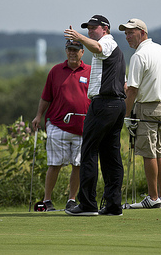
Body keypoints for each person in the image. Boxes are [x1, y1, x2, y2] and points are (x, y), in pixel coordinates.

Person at [63, 15, 126, 216]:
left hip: (104, 104)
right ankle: (113, 205)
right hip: (116, 105)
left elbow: (98, 49)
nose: (90, 30)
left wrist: (79, 38)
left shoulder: (106, 42)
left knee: (89, 150)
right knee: (110, 155)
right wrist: (85, 39)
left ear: (105, 29)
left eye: (93, 27)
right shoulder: (110, 47)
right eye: (88, 28)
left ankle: (88, 204)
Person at [119, 18, 161, 209]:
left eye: (131, 32)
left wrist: (126, 115)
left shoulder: (139, 56)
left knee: (149, 153)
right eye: (125, 33)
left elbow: (132, 90)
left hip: (147, 107)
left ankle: (152, 198)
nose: (127, 37)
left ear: (142, 32)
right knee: (159, 151)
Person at [31, 40, 91, 211]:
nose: (72, 53)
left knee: (78, 165)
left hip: (82, 126)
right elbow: (46, 97)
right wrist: (38, 115)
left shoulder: (90, 71)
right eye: (69, 50)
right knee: (54, 164)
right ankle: (47, 200)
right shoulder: (56, 71)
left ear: (82, 52)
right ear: (66, 51)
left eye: (76, 50)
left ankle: (71, 200)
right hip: (58, 125)